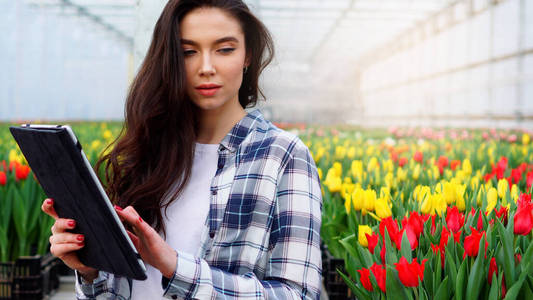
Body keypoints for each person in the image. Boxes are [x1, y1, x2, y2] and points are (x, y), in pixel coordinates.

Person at [41, 0, 322, 299]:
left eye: (225, 49)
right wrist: (89, 271)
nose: (206, 68)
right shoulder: (149, 149)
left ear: (248, 55)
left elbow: (298, 294)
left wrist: (175, 267)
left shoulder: (283, 155)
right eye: (188, 52)